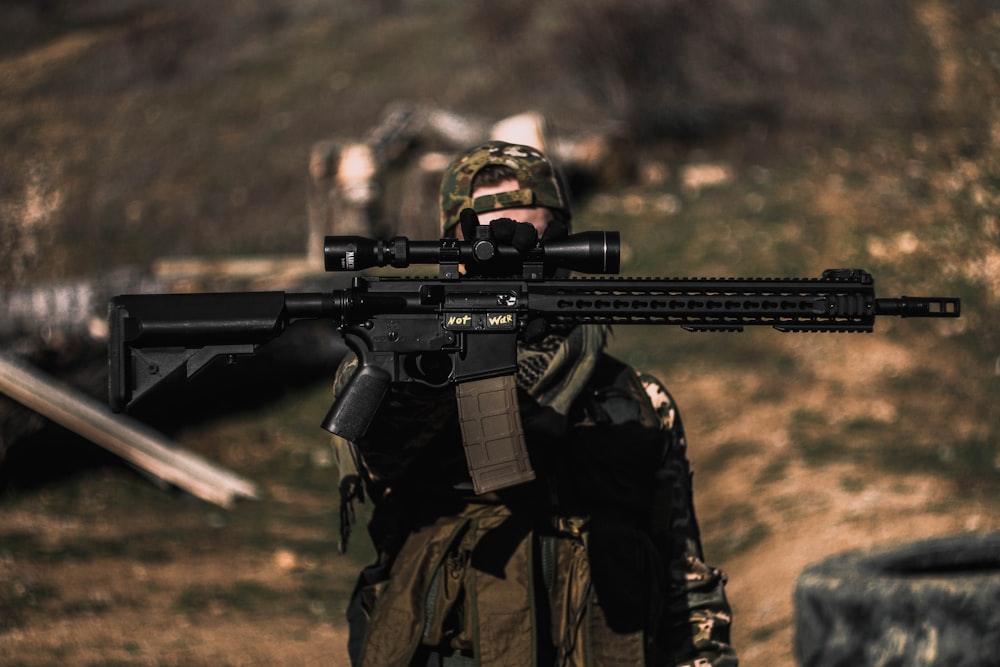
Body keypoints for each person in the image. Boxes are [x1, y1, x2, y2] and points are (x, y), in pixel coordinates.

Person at [332, 141, 738, 666]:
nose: (502, 252)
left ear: (562, 240)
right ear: (451, 251)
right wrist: (454, 349)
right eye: (480, 236)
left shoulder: (636, 399)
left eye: (524, 234)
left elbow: (685, 576)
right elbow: (377, 454)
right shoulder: (409, 362)